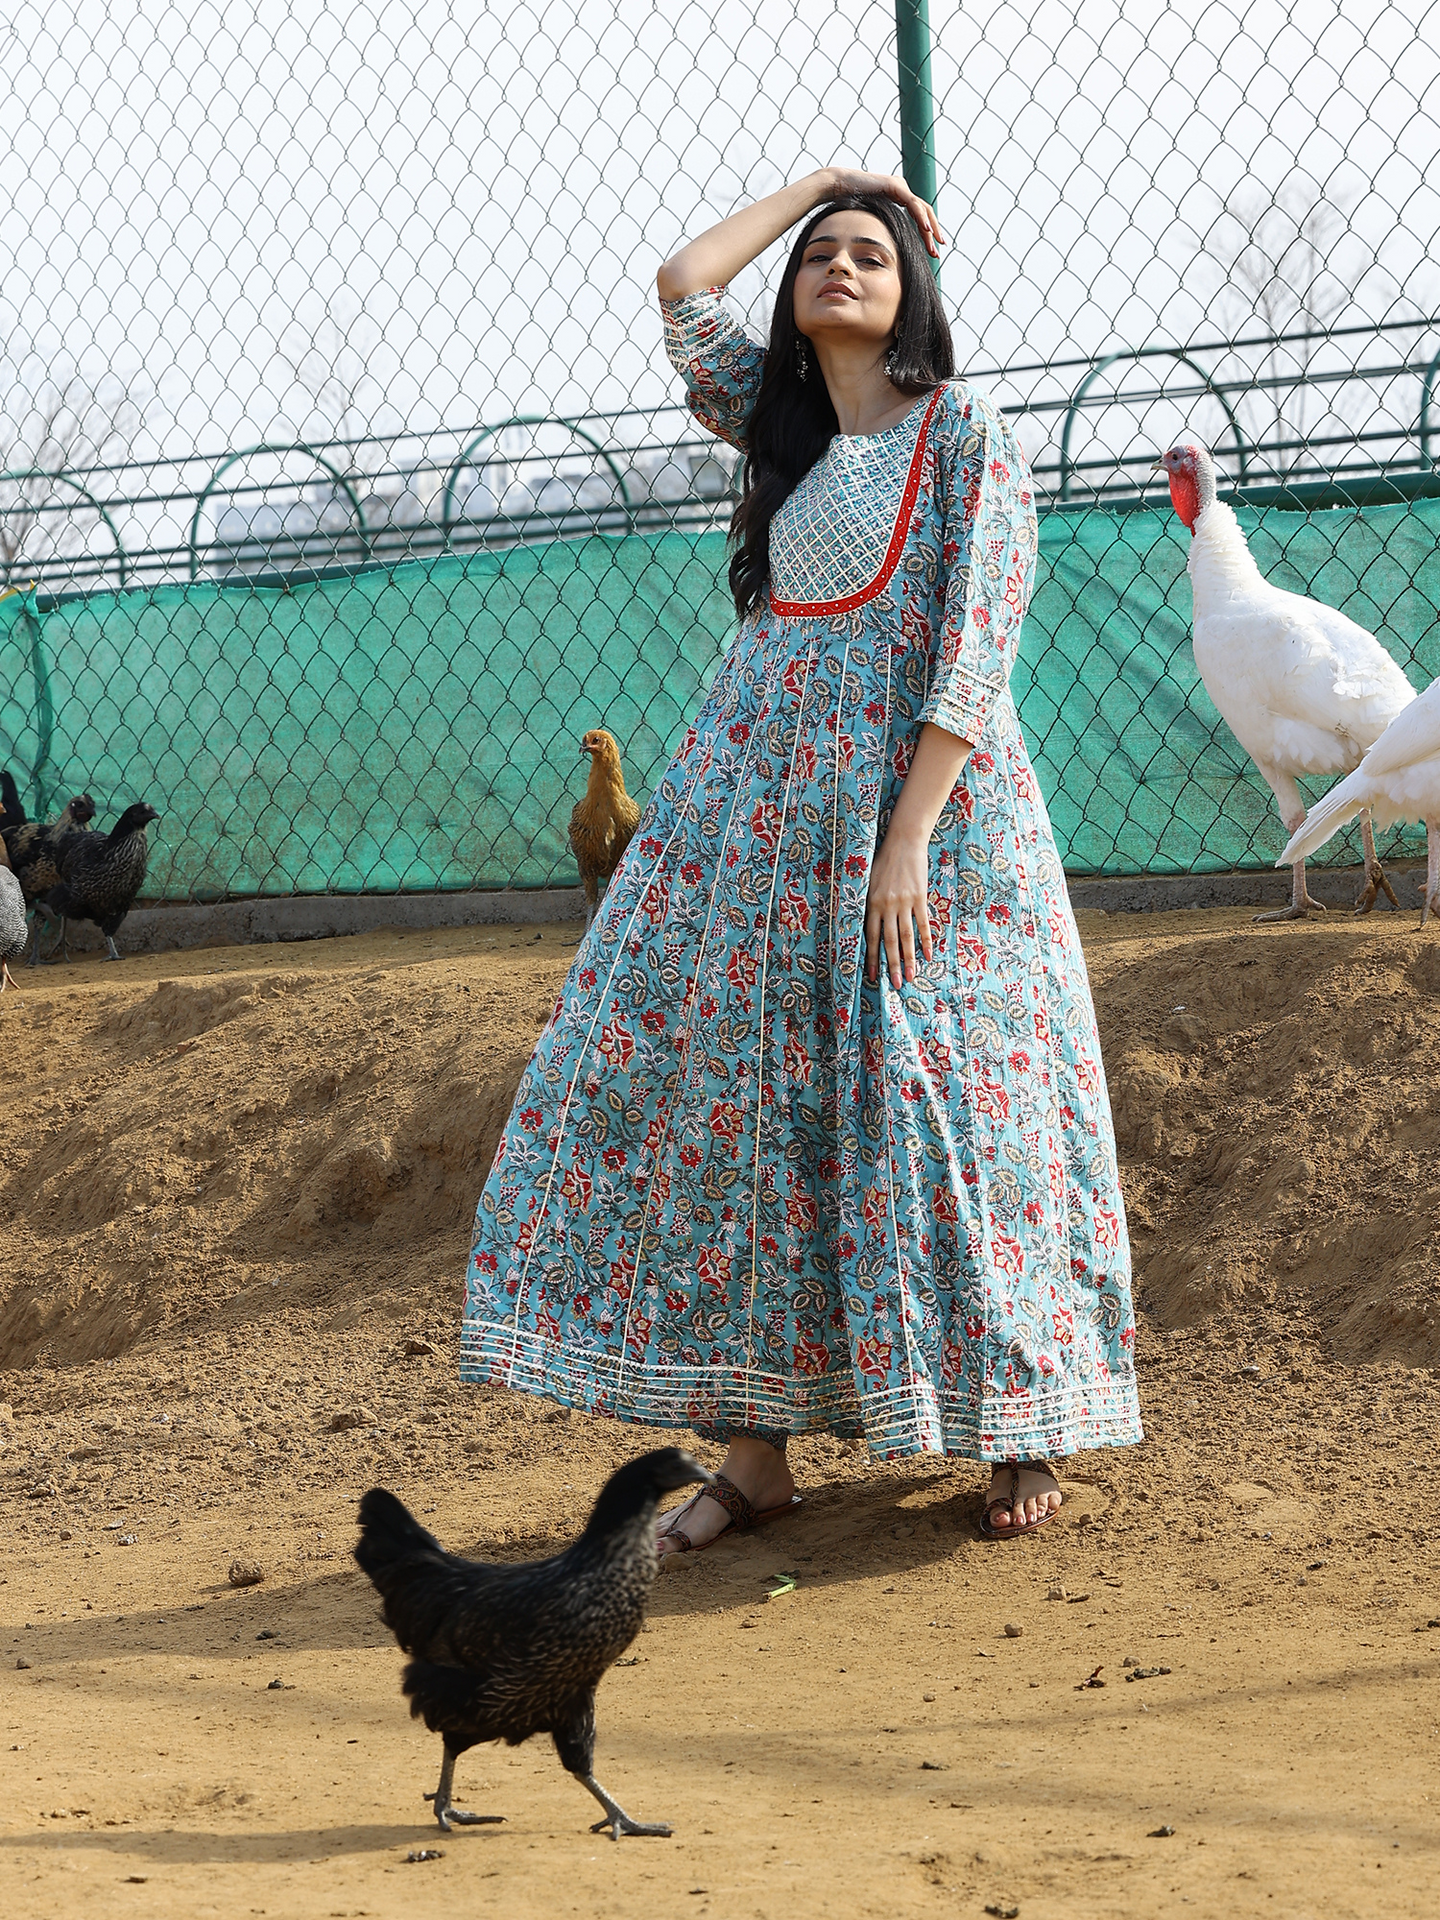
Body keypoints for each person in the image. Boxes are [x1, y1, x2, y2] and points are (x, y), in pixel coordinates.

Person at [462, 165, 1142, 1547]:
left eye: (870, 255)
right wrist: (830, 183)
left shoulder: (962, 436)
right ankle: (757, 1457)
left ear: (913, 297)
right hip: (761, 841)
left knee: (956, 1101)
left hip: (936, 839)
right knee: (752, 1109)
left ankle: (1019, 1427)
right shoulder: (787, 446)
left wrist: (904, 841)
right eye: (822, 255)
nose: (840, 265)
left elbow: (978, 637)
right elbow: (680, 282)